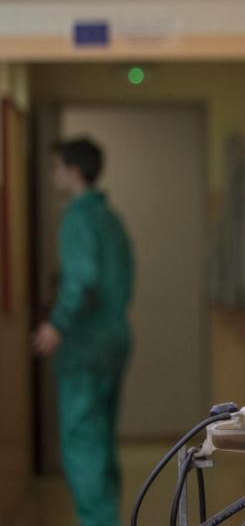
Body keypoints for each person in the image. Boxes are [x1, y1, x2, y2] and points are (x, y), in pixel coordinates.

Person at [34, 137, 134, 526]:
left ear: (73, 171)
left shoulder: (77, 217)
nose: (53, 175)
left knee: (82, 442)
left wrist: (56, 323)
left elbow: (82, 278)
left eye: (56, 167)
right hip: (114, 338)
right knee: (102, 440)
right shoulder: (111, 219)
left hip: (85, 345)